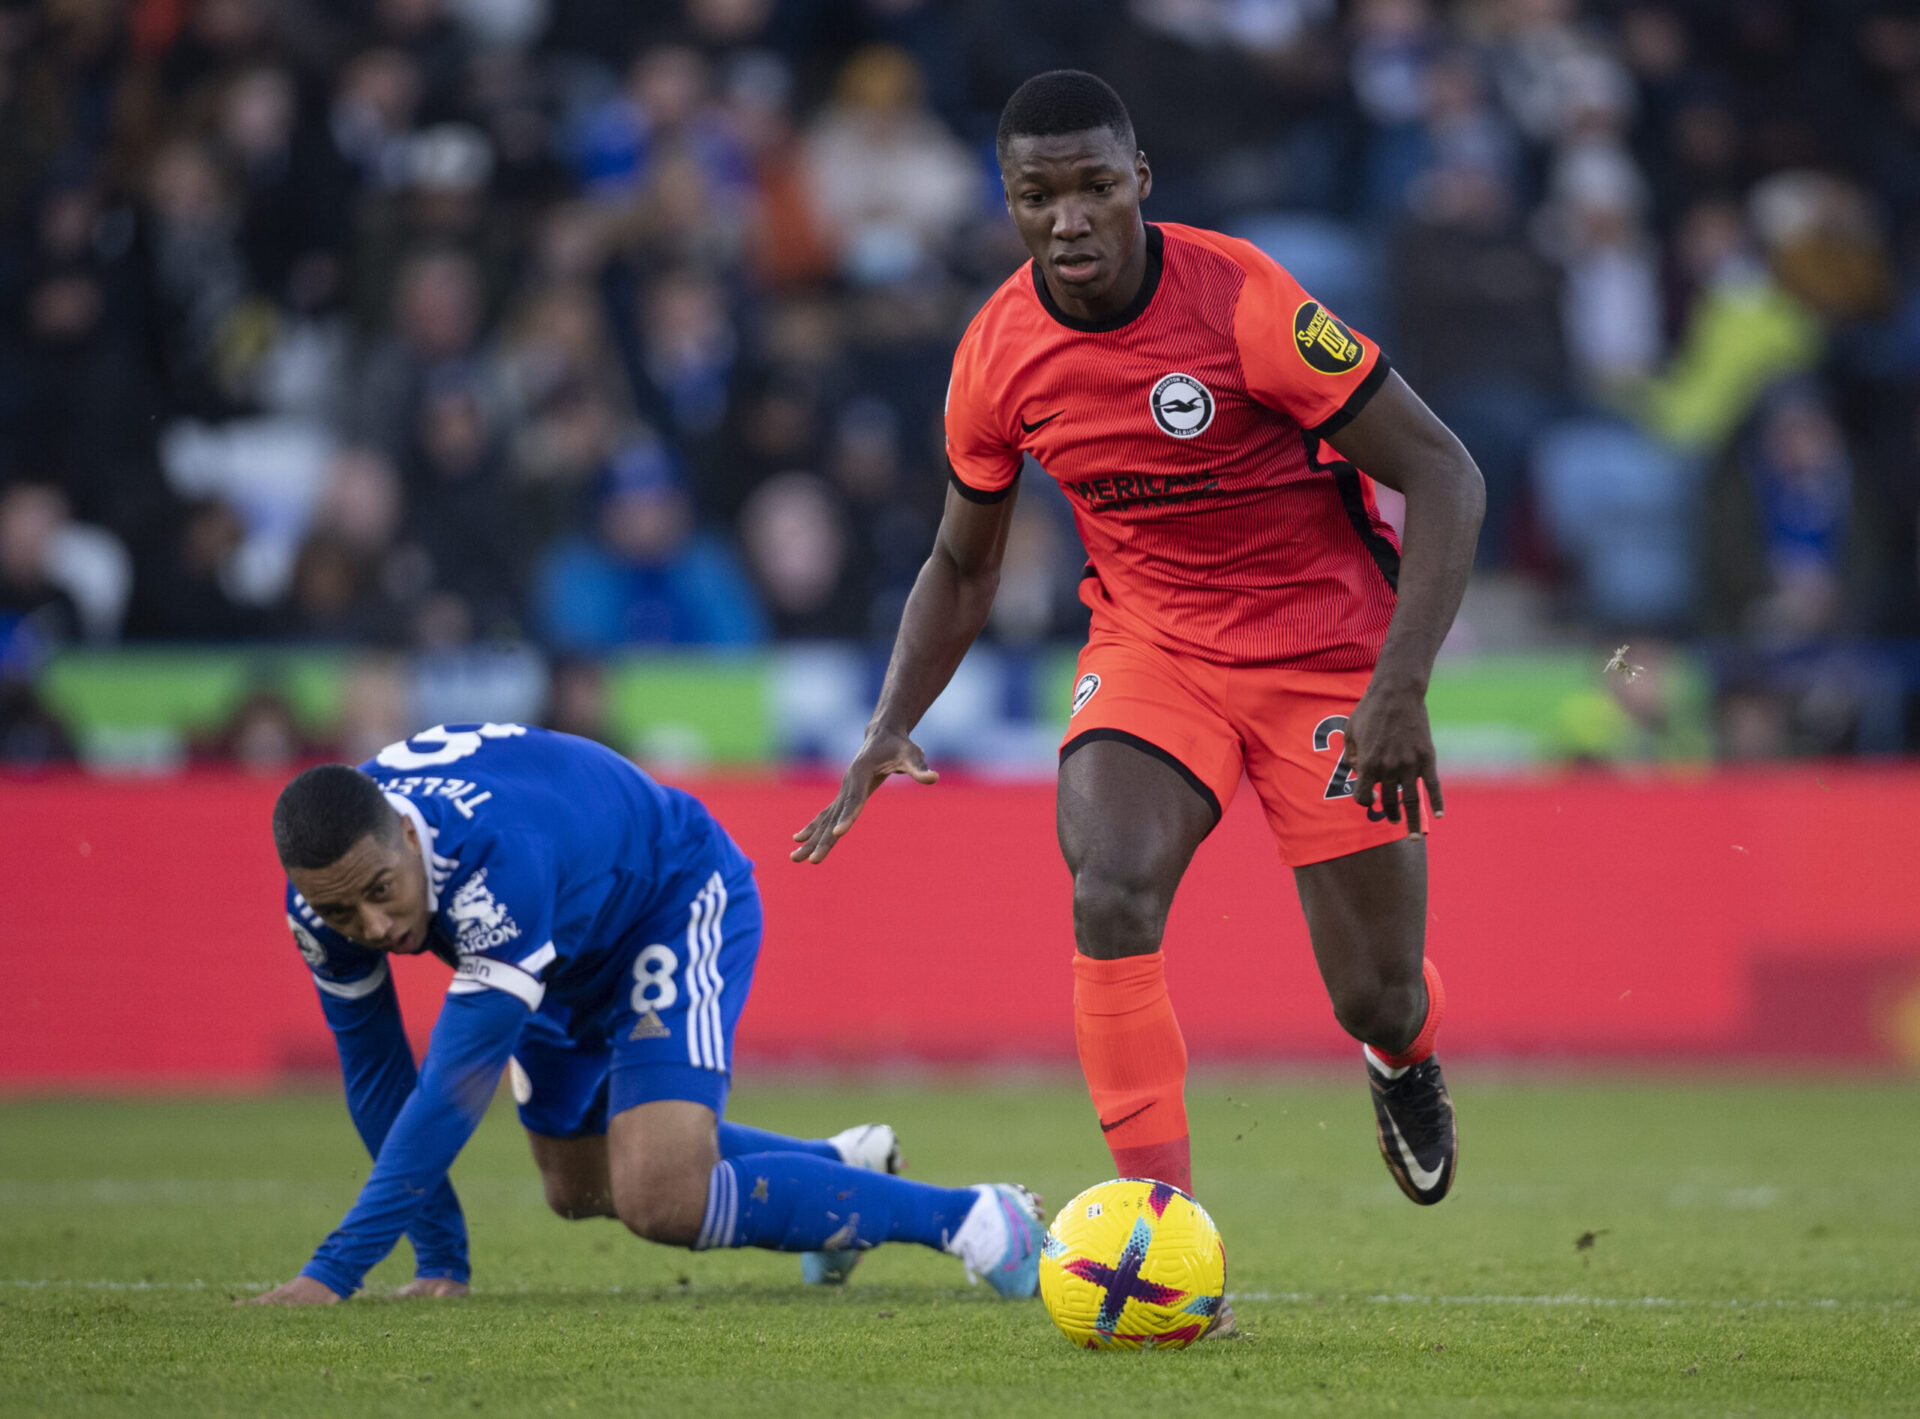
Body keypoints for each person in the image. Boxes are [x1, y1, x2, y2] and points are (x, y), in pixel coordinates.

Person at [794, 71, 1483, 1237]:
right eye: (1037, 195)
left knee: (1377, 990)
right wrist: (890, 720)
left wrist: (1400, 686)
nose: (1069, 218)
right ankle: (1160, 1231)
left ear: (1140, 184)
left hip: (1325, 657)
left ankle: (1402, 1056)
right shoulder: (997, 356)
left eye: (1095, 188)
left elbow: (1448, 476)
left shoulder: (1246, 304)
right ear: (1006, 203)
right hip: (1155, 646)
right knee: (1109, 887)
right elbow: (963, 564)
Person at [245, 723, 1043, 1306]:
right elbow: (380, 1076)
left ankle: (972, 1216)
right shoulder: (327, 899)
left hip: (669, 895)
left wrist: (332, 1273)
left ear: (409, 842)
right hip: (561, 955)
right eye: (342, 912)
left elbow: (450, 1088)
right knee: (577, 1185)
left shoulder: (495, 860)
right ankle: (834, 1167)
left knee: (660, 1195)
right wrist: (440, 1263)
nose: (373, 929)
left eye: (382, 892)